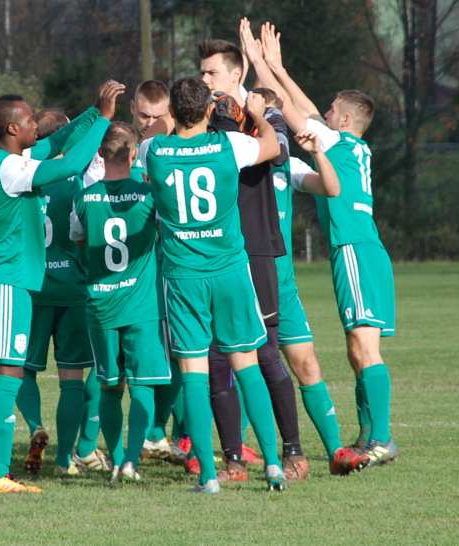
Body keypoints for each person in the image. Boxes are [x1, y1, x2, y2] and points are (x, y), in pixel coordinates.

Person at [0, 81, 122, 494]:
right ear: (13, 129)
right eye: (30, 119)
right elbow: (67, 165)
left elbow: (57, 143)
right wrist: (102, 121)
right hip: (4, 280)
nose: (37, 123)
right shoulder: (14, 169)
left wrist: (93, 111)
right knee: (9, 370)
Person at [249, 21, 398, 466]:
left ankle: (382, 438)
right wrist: (278, 68)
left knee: (362, 347)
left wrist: (265, 65)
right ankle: (370, 434)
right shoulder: (352, 146)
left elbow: (299, 116)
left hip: (353, 250)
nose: (324, 113)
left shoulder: (334, 142)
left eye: (333, 110)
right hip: (366, 250)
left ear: (346, 120)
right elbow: (309, 112)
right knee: (359, 349)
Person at [141, 77, 284, 494]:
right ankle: (273, 466)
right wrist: (256, 113)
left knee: (193, 373)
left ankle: (207, 476)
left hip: (184, 276)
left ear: (173, 113)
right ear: (207, 111)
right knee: (247, 366)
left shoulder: (156, 150)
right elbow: (273, 146)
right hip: (230, 272)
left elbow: (149, 138)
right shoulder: (230, 145)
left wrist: (167, 122)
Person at [196, 37, 307, 482]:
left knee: (266, 353)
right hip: (215, 254)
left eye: (212, 73)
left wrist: (254, 113)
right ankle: (233, 461)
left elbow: (279, 147)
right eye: (201, 73)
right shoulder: (200, 119)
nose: (205, 80)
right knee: (217, 356)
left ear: (235, 73)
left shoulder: (265, 111)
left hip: (257, 244)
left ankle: (294, 451)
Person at [70, 122, 172, 483]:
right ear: (133, 155)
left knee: (110, 387)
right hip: (141, 306)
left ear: (100, 154)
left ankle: (114, 460)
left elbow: (79, 241)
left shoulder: (83, 198)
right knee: (143, 384)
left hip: (100, 304)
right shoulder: (148, 196)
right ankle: (131, 459)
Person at [15, 108, 110, 478]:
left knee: (22, 370)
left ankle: (36, 425)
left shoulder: (26, 180)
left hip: (33, 288)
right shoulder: (80, 180)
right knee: (73, 378)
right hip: (73, 289)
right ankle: (68, 456)